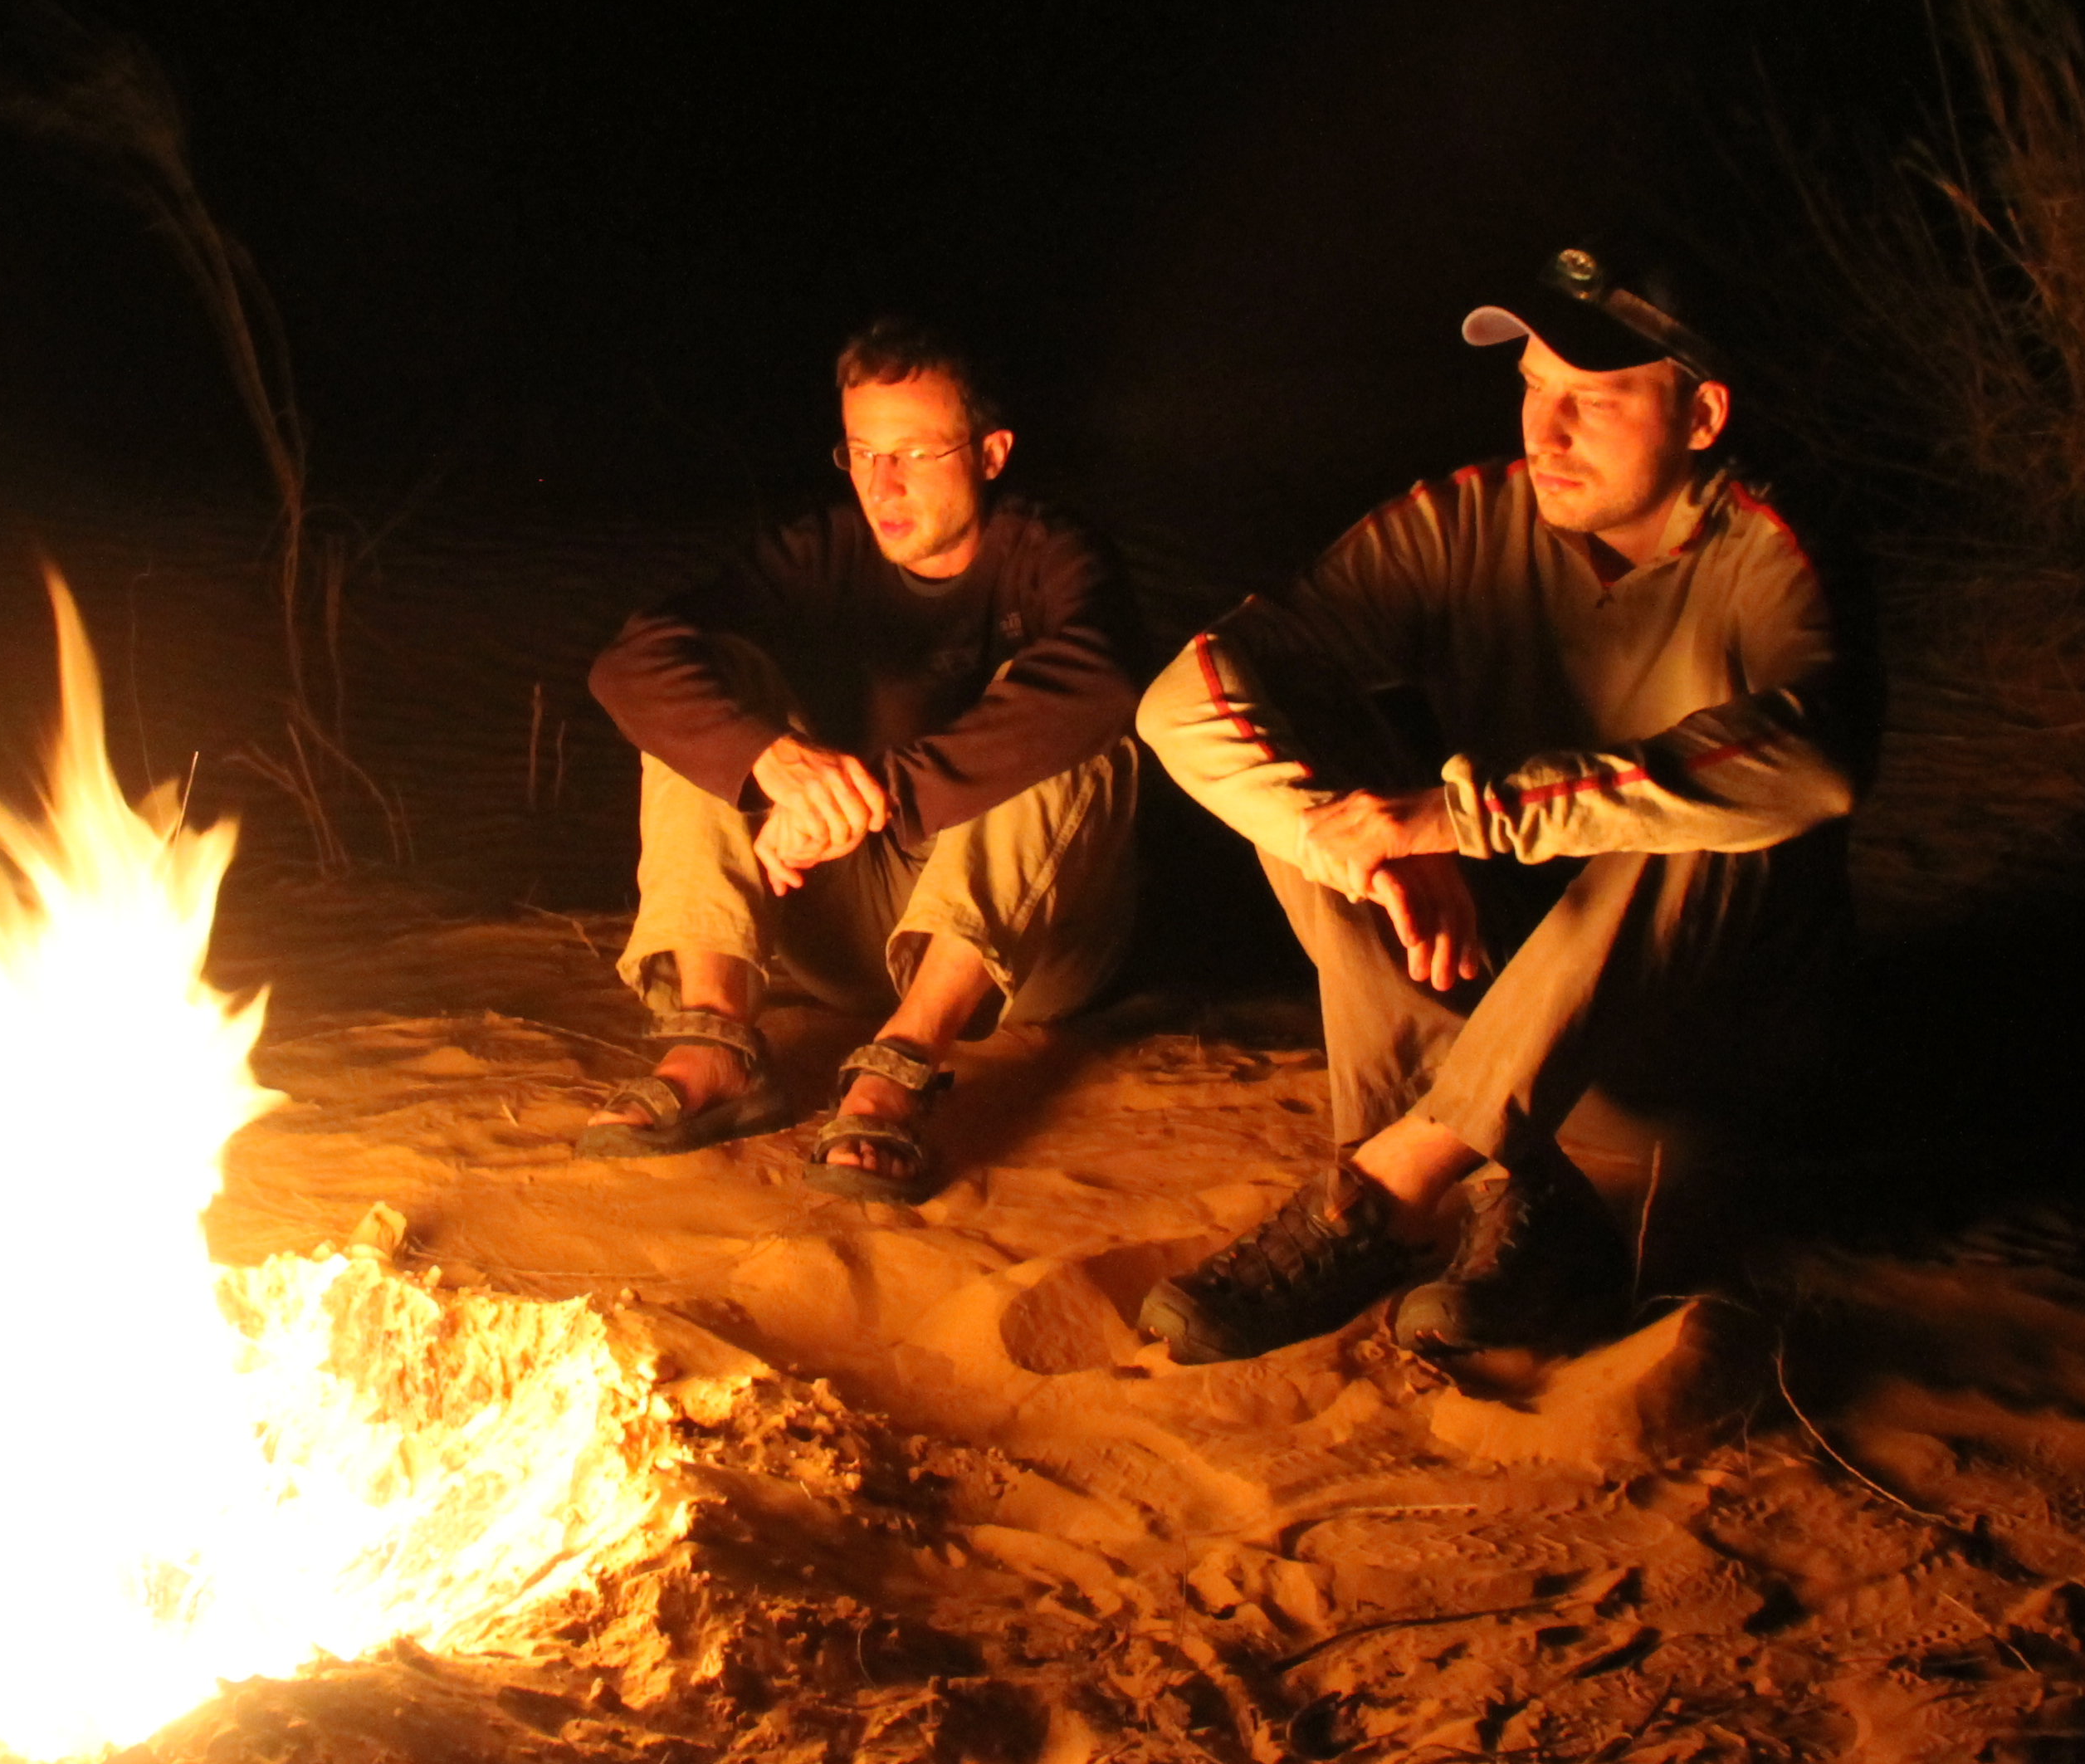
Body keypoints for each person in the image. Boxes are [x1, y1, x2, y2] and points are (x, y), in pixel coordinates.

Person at [1133, 245, 1859, 1362]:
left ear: (1703, 415)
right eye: (1532, 386)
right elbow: (1183, 698)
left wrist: (1464, 819)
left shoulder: (1769, 553)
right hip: (1493, 1024)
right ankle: (1515, 1195)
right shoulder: (1470, 519)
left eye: (1594, 400)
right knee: (1308, 764)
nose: (1546, 432)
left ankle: (1388, 1190)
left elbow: (1817, 761)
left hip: (1691, 1054)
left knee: (1728, 807)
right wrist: (1351, 843)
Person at [582, 317, 1143, 1200]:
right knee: (704, 697)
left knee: (1074, 725)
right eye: (863, 453)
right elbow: (629, 664)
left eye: (915, 453)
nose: (884, 484)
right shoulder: (820, 553)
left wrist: (880, 791)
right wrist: (771, 761)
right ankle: (716, 1041)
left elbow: (1106, 679)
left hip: (1022, 959)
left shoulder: (1049, 557)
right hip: (841, 927)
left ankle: (903, 1063)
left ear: (990, 454)